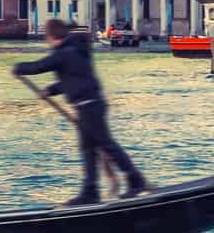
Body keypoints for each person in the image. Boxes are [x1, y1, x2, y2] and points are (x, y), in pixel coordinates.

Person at [12, 18, 149, 204]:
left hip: (89, 105)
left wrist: (18, 68)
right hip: (89, 104)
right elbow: (72, 79)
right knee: (89, 149)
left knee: (106, 145)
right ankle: (91, 191)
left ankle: (135, 181)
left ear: (51, 36)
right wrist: (50, 90)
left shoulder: (65, 53)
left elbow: (39, 66)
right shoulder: (75, 51)